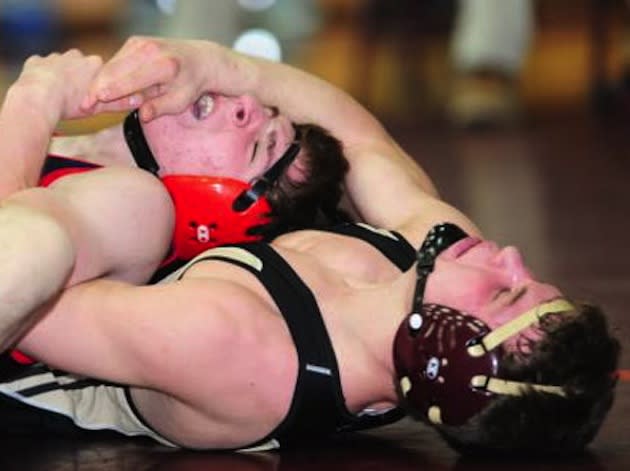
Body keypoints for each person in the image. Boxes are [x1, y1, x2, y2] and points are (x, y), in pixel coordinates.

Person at [0, 36, 619, 456]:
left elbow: (27, 292)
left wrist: (33, 102)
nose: (509, 254)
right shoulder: (430, 252)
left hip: (27, 322)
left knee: (128, 209)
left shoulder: (241, 349)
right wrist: (213, 64)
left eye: (506, 289)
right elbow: (359, 137)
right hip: (71, 241)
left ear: (443, 343)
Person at [0, 46, 348, 353]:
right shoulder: (37, 146)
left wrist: (33, 99)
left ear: (218, 215)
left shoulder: (139, 210)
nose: (247, 104)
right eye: (267, 110)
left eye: (261, 146)